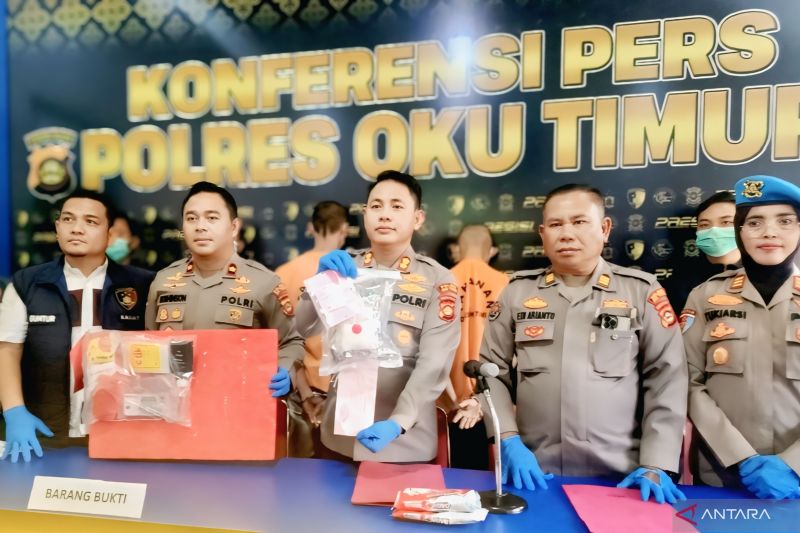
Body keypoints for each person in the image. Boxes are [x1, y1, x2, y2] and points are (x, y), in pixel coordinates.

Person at [479, 184, 687, 504]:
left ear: (604, 229)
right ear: (542, 233)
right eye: (556, 224)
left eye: (579, 222)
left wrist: (656, 463)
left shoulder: (640, 292)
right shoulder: (517, 293)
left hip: (623, 478)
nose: (566, 234)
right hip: (535, 474)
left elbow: (667, 379)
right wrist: (506, 438)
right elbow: (490, 372)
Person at [295, 170, 461, 462]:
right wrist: (318, 284)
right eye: (376, 206)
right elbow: (304, 327)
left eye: (397, 206)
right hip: (339, 439)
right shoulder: (344, 268)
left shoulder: (437, 280)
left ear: (418, 218)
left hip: (405, 443)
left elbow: (434, 362)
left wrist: (399, 421)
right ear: (365, 214)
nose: (384, 214)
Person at [0, 190, 154, 462]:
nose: (77, 229)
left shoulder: (142, 285)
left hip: (121, 432)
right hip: (44, 433)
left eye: (90, 222)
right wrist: (14, 411)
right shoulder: (26, 284)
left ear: (109, 234)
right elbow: (7, 350)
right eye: (68, 219)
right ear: (57, 227)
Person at [683, 175, 800, 498]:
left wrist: (792, 464)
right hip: (723, 474)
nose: (769, 232)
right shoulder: (705, 296)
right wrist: (739, 457)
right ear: (740, 231)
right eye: (755, 222)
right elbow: (688, 382)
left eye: (785, 221)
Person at [144, 181, 304, 400]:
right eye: (191, 218)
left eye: (212, 218)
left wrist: (286, 368)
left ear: (234, 227)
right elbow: (150, 343)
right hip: (176, 405)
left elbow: (292, 342)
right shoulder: (163, 281)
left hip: (238, 404)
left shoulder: (263, 282)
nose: (200, 226)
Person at [276, 201, 349, 457]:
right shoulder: (356, 272)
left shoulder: (284, 273)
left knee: (304, 472)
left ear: (310, 228)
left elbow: (285, 342)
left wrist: (306, 394)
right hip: (348, 392)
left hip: (302, 390)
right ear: (344, 229)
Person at [445, 224, 508, 470]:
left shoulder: (441, 281)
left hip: (447, 399)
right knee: (491, 472)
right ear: (491, 250)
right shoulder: (507, 284)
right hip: (493, 395)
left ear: (457, 249)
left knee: (453, 471)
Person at [663, 191, 741, 312]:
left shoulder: (761, 276)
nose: (714, 230)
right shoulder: (680, 282)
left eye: (726, 222)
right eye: (704, 225)